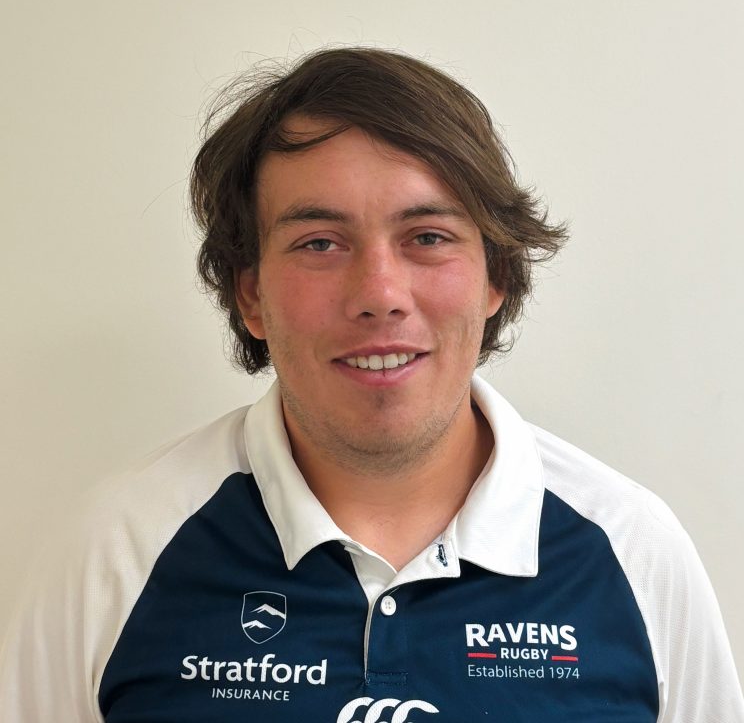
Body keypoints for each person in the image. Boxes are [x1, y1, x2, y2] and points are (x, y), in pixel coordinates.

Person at [0, 47, 742, 723]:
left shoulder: (634, 552)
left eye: (428, 237)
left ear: (496, 276)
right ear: (250, 294)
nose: (380, 294)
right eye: (320, 243)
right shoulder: (117, 553)